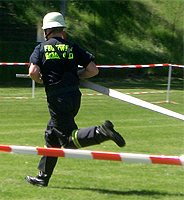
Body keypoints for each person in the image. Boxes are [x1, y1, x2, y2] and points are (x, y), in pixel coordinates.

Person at [25, 12, 126, 187]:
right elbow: (93, 70)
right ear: (62, 30)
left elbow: (33, 72)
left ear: (47, 31)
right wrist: (76, 74)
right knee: (51, 136)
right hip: (74, 97)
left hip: (57, 99)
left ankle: (101, 132)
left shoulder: (41, 48)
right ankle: (43, 177)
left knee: (69, 141)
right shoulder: (73, 47)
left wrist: (41, 80)